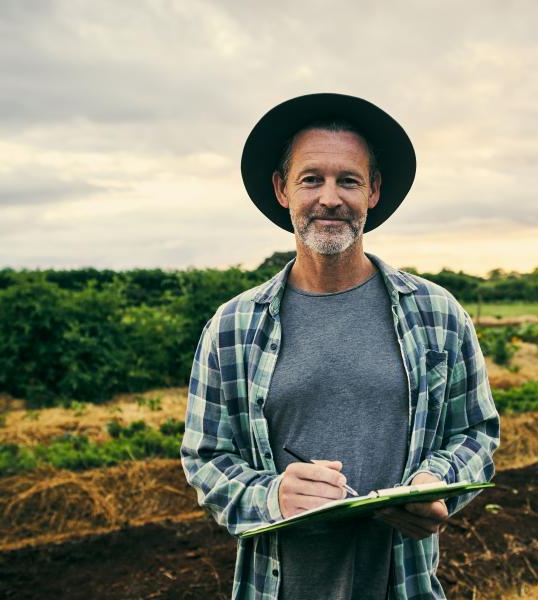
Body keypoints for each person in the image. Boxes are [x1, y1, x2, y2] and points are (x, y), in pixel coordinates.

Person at [181, 93, 500, 600]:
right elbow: (207, 458)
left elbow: (475, 433)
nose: (330, 197)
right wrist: (273, 495)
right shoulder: (232, 327)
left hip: (404, 585)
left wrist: (434, 482)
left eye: (348, 180)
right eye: (312, 179)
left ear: (372, 191)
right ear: (282, 189)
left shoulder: (438, 314)